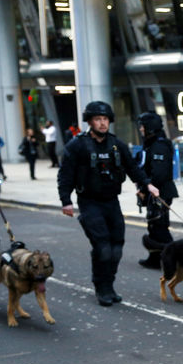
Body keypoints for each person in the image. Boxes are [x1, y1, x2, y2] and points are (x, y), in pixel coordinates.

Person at [57, 101, 159, 306]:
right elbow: (65, 175)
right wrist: (66, 201)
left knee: (116, 247)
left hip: (111, 202)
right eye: (98, 119)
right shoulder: (77, 145)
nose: (102, 123)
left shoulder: (116, 144)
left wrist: (147, 184)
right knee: (102, 247)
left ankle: (109, 284)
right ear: (90, 121)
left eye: (105, 119)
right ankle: (101, 287)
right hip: (89, 203)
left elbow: (132, 167)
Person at [136, 112, 178, 269]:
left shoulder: (159, 145)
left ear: (150, 127)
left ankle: (175, 259)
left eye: (143, 126)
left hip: (161, 192)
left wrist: (145, 188)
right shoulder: (151, 143)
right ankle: (154, 259)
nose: (140, 129)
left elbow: (159, 174)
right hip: (154, 192)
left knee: (160, 227)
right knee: (153, 226)